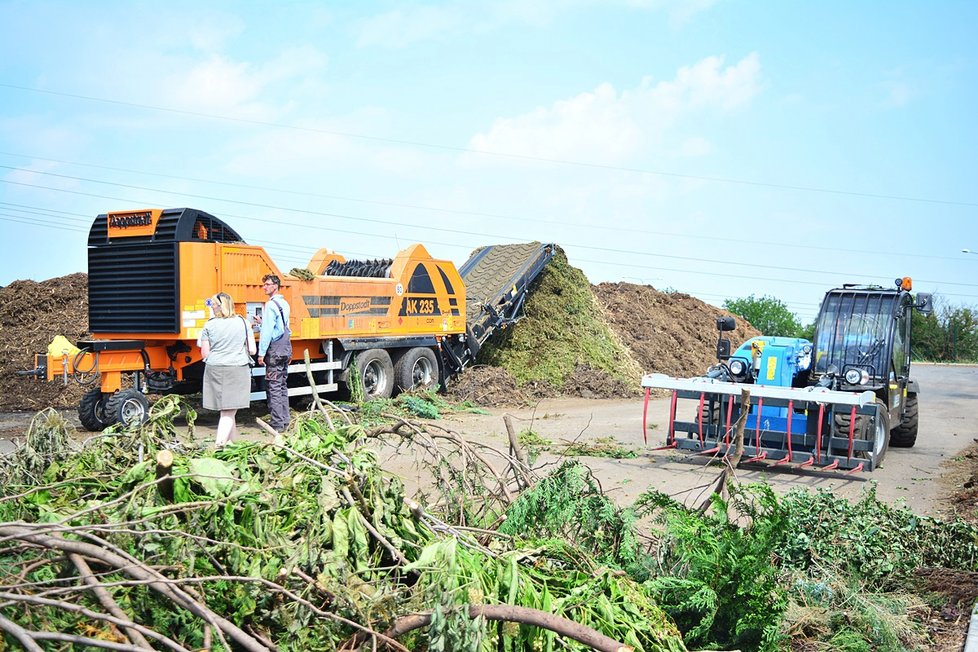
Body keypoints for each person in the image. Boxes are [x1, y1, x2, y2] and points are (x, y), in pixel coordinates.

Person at [199, 292, 257, 447]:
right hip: (236, 368)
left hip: (214, 368)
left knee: (227, 411)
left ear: (217, 307)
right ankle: (219, 445)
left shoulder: (209, 324)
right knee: (229, 411)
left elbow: (205, 353)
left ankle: (233, 444)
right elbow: (252, 350)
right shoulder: (243, 323)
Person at [256, 274, 292, 432]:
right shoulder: (284, 303)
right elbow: (282, 327)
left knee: (274, 386)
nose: (264, 287)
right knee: (283, 385)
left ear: (275, 286)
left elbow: (268, 332)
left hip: (275, 351)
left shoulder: (270, 305)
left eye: (267, 284)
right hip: (285, 348)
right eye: (264, 284)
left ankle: (277, 423)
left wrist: (261, 353)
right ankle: (285, 419)